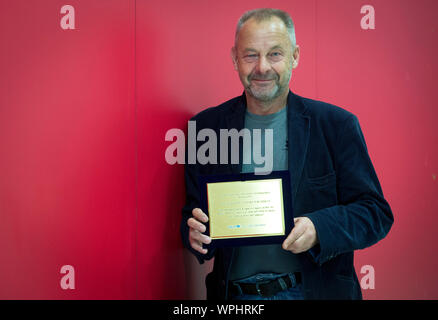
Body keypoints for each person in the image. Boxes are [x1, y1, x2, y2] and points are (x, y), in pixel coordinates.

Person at [180, 8, 393, 300]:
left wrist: (319, 227)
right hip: (235, 296)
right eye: (250, 55)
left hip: (313, 293)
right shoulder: (206, 128)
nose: (262, 67)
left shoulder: (336, 125)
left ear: (294, 56)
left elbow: (375, 213)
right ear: (234, 59)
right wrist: (194, 234)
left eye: (275, 54)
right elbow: (194, 215)